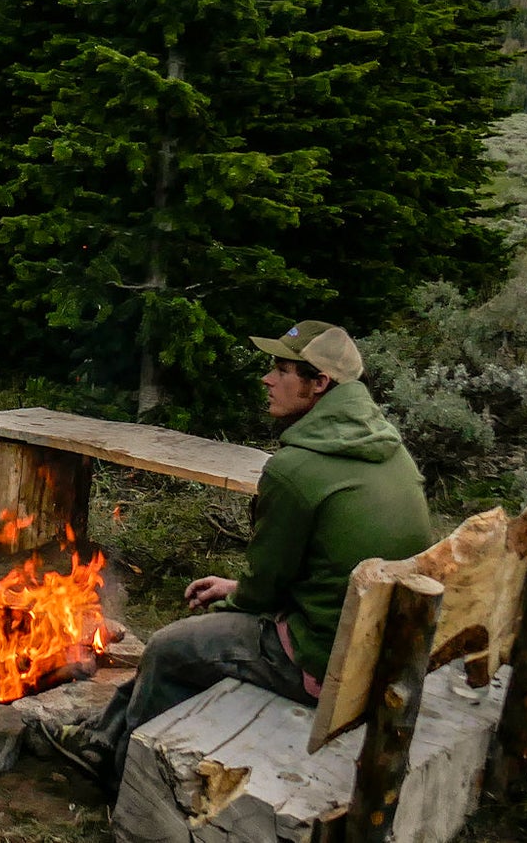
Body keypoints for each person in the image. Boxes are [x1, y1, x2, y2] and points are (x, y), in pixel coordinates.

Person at [52, 320, 439, 787]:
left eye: (281, 370)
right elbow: (318, 567)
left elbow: (264, 589)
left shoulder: (298, 470)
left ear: (320, 384)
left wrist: (235, 601)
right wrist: (240, 591)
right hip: (376, 638)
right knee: (194, 639)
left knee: (171, 647)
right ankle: (101, 739)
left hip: (322, 659)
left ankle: (122, 777)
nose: (267, 379)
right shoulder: (386, 450)